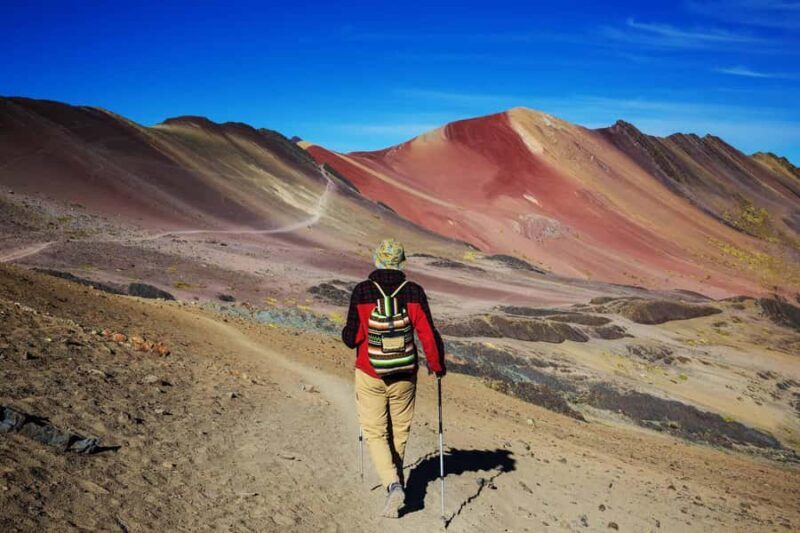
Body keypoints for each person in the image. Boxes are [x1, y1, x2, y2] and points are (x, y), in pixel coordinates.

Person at [341, 238, 446, 518]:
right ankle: (395, 483)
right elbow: (427, 334)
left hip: (370, 372)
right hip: (405, 375)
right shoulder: (414, 292)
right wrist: (437, 366)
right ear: (401, 262)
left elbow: (352, 338)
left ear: (377, 259)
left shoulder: (362, 291)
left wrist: (363, 334)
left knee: (375, 432)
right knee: (399, 431)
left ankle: (392, 484)